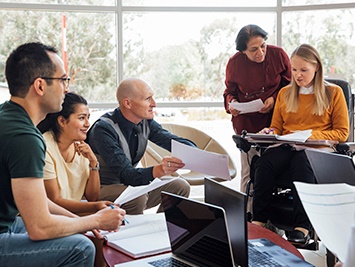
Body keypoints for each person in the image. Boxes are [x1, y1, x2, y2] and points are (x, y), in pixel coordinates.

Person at [0, 42, 125, 267]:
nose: (66, 88)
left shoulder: (7, 117)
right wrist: (96, 219)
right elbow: (39, 227)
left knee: (75, 233)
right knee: (81, 247)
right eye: (62, 80)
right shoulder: (25, 138)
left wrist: (81, 221)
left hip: (6, 224)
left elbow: (43, 203)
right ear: (40, 85)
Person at [252, 44, 349, 246]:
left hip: (318, 150)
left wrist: (311, 136)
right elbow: (277, 127)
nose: (298, 75)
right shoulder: (285, 94)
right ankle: (259, 221)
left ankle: (302, 227)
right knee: (265, 161)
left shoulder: (334, 93)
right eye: (294, 70)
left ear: (317, 69)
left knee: (302, 161)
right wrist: (269, 132)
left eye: (303, 70)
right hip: (289, 145)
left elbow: (342, 133)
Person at [87, 77, 196, 214]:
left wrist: (195, 154)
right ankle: (132, 233)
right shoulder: (103, 129)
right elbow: (127, 175)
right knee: (137, 196)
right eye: (147, 99)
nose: (154, 104)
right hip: (102, 188)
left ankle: (163, 229)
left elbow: (171, 140)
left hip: (127, 184)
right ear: (128, 103)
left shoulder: (145, 121)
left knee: (180, 186)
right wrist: (159, 170)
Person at [223, 24, 291, 199]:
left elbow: (290, 86)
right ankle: (247, 217)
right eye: (253, 50)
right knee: (248, 173)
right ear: (243, 51)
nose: (260, 52)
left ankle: (269, 217)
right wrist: (232, 103)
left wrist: (274, 98)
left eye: (263, 46)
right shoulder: (234, 63)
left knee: (273, 171)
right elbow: (229, 92)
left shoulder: (278, 55)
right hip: (247, 125)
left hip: (275, 122)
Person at [38, 92, 113, 215]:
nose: (88, 124)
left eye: (88, 117)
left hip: (69, 214)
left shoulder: (81, 147)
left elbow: (92, 197)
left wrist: (94, 163)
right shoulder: (44, 147)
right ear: (62, 121)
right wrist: (96, 207)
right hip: (50, 216)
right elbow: (54, 201)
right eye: (82, 118)